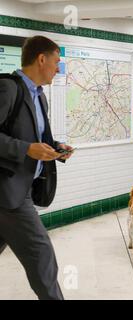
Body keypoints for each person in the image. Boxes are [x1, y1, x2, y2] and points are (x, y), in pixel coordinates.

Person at [0, 36, 75, 300]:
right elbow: (24, 144)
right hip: (9, 195)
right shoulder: (9, 88)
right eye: (56, 62)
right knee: (41, 253)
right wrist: (26, 149)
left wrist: (54, 149)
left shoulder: (40, 97)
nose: (58, 68)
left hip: (24, 189)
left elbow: (34, 139)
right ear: (41, 59)